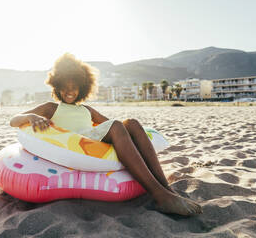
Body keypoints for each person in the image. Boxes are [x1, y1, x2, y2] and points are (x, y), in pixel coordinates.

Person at [10, 53, 202, 216]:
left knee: (132, 123)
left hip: (94, 137)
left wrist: (127, 132)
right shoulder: (51, 107)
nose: (70, 91)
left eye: (74, 86)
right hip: (77, 143)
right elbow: (14, 120)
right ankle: (160, 196)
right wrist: (32, 116)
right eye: (65, 86)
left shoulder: (87, 109)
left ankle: (167, 190)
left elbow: (112, 125)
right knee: (118, 126)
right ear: (57, 86)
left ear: (82, 87)